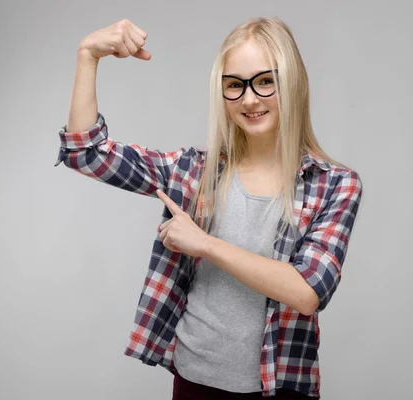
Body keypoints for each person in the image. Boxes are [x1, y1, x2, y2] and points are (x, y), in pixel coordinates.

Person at [54, 17, 363, 400]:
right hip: (195, 382)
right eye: (235, 85)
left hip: (281, 386)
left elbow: (305, 291)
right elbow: (87, 153)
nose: (249, 99)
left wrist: (205, 244)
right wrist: (87, 56)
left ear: (292, 82)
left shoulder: (334, 184)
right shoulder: (193, 172)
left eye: (265, 80)